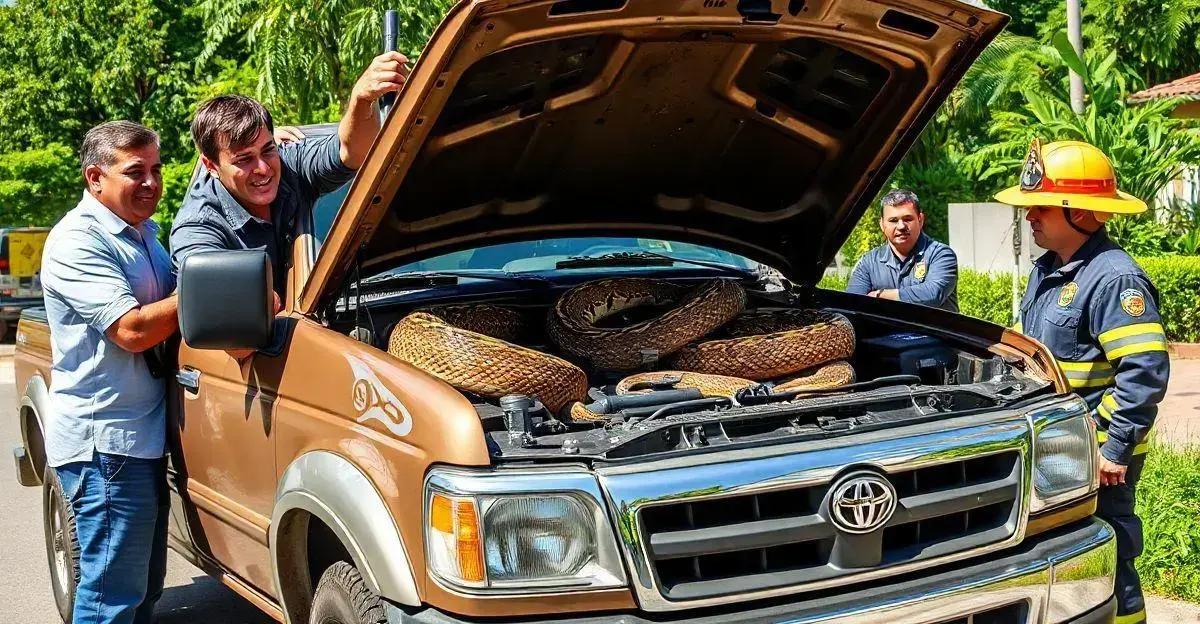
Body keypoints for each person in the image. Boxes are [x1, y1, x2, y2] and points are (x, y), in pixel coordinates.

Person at [997, 138, 1169, 624]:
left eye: (1041, 206)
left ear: (1079, 212)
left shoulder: (1113, 278)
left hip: (1096, 452)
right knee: (1067, 559)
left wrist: (1114, 446)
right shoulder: (1048, 270)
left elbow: (1144, 372)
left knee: (1111, 551)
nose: (1029, 216)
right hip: (1059, 448)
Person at [41, 121, 179, 624]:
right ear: (95, 177)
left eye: (156, 169)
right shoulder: (78, 240)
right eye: (135, 171)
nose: (151, 182)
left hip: (139, 440)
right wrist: (208, 294)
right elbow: (132, 329)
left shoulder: (143, 234)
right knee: (109, 600)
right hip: (107, 447)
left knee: (139, 593)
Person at [170, 51, 411, 294]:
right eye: (244, 159)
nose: (263, 169)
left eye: (268, 150)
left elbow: (352, 152)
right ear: (210, 165)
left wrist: (361, 101)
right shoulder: (198, 228)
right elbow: (215, 301)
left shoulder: (290, 164)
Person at [846, 189, 959, 311]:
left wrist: (881, 295)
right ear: (882, 224)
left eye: (907, 219)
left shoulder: (941, 255)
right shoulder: (868, 263)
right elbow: (852, 304)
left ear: (920, 220)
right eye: (893, 220)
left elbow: (933, 294)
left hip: (931, 330)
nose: (901, 226)